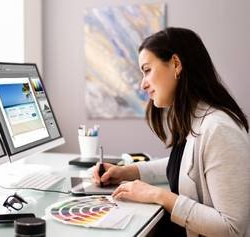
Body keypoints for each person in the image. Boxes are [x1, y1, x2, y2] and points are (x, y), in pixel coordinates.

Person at [93, 27, 250, 237]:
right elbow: (187, 166)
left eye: (147, 70)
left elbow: (232, 229)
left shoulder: (218, 130)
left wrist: (158, 196)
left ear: (176, 64)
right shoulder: (196, 119)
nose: (143, 84)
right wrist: (127, 171)